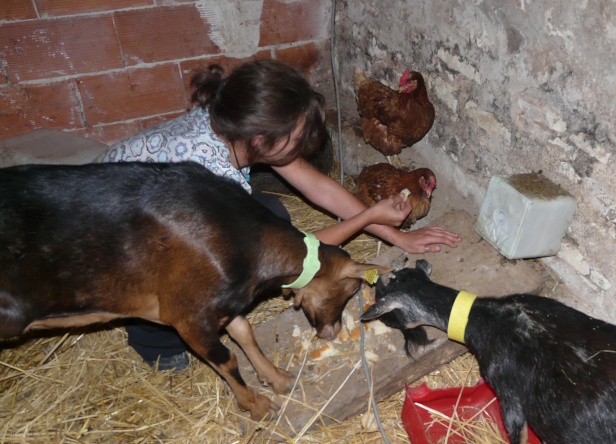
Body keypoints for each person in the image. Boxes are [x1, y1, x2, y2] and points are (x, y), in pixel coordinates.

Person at [98, 59, 461, 370]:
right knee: (228, 273)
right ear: (260, 141)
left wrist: (395, 234)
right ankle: (154, 340)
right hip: (117, 242)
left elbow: (317, 186)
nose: (303, 146)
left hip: (145, 197)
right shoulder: (215, 180)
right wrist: (368, 218)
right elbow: (293, 252)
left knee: (272, 215)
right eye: (296, 137)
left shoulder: (233, 117)